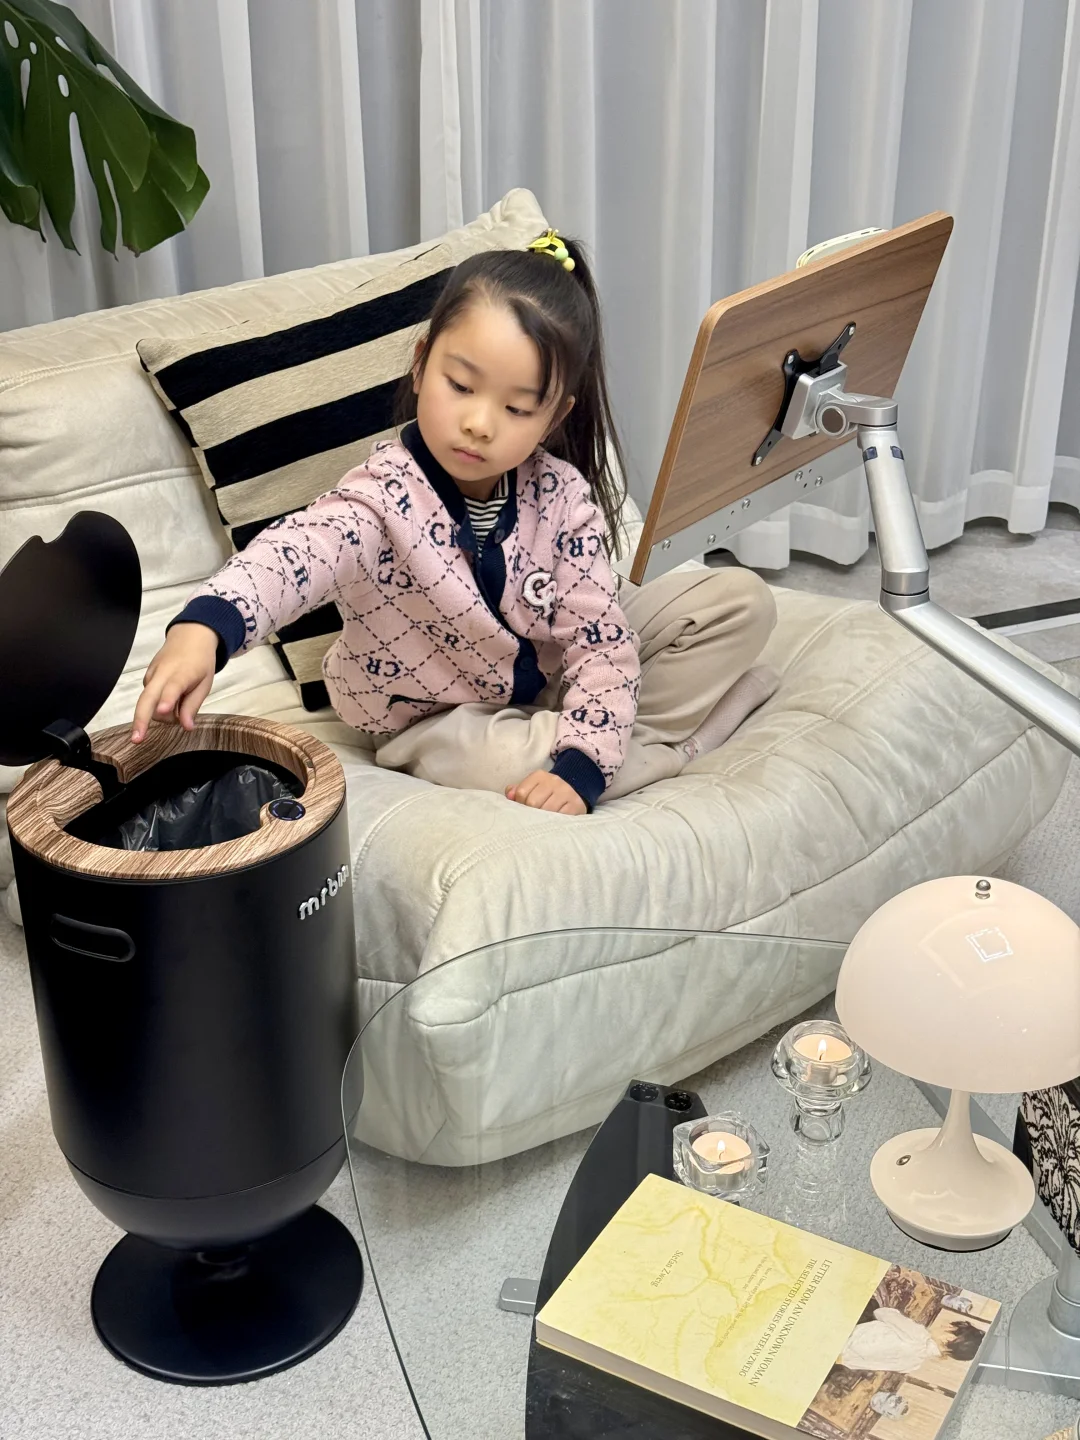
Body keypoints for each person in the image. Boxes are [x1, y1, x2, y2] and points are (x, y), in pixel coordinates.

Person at [132, 229, 777, 814]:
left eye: (517, 409)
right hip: (434, 717)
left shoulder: (562, 495)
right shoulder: (379, 501)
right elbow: (296, 555)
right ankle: (660, 745)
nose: (479, 423)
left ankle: (593, 743)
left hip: (548, 678)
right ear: (421, 364)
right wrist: (206, 628)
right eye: (461, 387)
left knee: (741, 603)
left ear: (554, 417)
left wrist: (582, 759)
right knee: (504, 762)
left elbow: (600, 638)